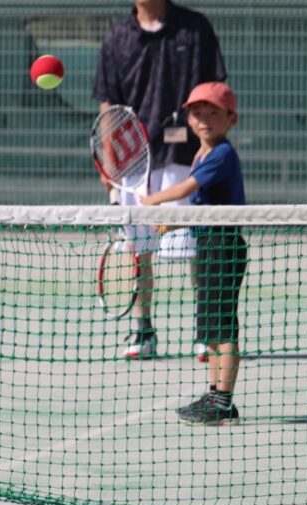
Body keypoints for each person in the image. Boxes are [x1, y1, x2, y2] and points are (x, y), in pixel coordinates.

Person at [93, 0, 227, 359]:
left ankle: (206, 332)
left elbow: (213, 94)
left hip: (184, 157)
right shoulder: (117, 37)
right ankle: (144, 332)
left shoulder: (196, 29)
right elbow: (109, 106)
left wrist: (209, 150)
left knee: (197, 250)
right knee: (139, 251)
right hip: (133, 163)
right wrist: (109, 162)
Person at [141, 82, 246, 426]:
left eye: (213, 114)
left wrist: (151, 201)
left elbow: (187, 189)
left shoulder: (222, 154)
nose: (204, 120)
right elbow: (205, 209)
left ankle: (224, 403)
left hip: (224, 248)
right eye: (197, 114)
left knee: (223, 329)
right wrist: (173, 224)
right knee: (210, 329)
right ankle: (214, 396)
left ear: (231, 119)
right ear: (188, 119)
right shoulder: (201, 155)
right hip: (207, 245)